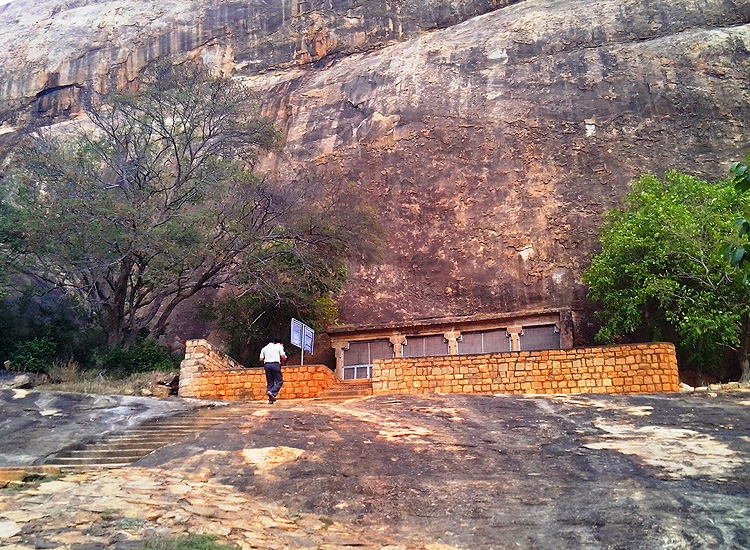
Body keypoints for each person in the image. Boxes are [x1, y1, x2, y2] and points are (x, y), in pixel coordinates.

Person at [259, 338, 286, 404]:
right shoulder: (278, 347)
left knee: (270, 382)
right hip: (275, 364)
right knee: (279, 381)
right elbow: (283, 357)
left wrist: (267, 359)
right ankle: (272, 392)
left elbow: (261, 359)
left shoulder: (264, 348)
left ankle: (270, 400)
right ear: (273, 342)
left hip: (267, 365)